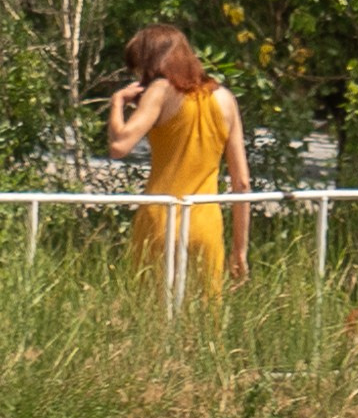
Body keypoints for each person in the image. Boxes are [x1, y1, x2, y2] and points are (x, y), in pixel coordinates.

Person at [107, 24, 252, 296]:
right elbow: (242, 183)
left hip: (160, 220)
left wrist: (117, 103)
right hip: (206, 226)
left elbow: (119, 146)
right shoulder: (225, 99)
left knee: (152, 313)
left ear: (152, 62)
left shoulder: (161, 90)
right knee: (205, 316)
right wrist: (240, 250)